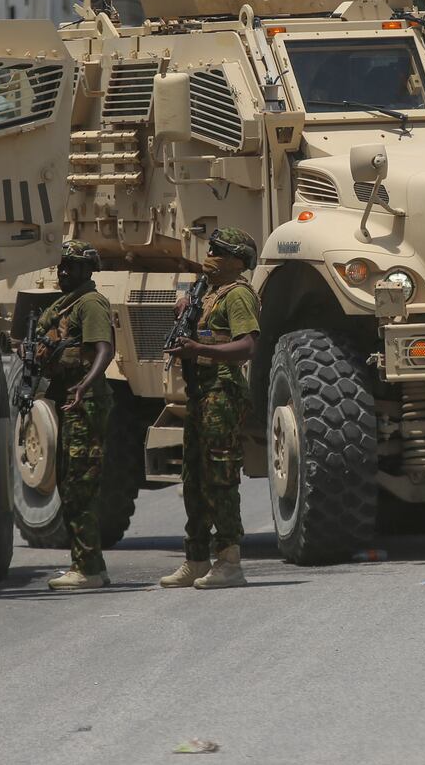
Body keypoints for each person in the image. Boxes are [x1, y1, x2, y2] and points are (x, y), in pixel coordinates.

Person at [160, 227, 260, 590]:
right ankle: (196, 558)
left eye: (219, 250)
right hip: (201, 392)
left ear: (236, 261)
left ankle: (229, 561)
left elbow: (248, 346)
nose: (211, 254)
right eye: (211, 247)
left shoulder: (237, 296)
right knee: (194, 479)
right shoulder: (205, 293)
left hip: (223, 391)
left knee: (220, 477)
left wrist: (199, 351)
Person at [32, 241, 116, 589]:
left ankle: (89, 569)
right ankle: (88, 564)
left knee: (80, 486)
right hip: (69, 400)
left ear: (88, 271)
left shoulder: (91, 304)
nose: (64, 271)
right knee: (71, 484)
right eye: (61, 265)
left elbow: (104, 349)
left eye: (72, 266)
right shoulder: (62, 306)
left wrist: (84, 384)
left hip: (86, 402)